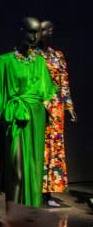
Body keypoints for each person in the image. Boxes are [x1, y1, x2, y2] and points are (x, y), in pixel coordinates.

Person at [0, 17, 55, 208]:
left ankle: (33, 214)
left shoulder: (40, 61)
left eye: (38, 32)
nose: (34, 37)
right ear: (21, 30)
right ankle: (15, 215)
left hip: (37, 118)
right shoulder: (5, 61)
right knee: (16, 169)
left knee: (34, 166)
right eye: (31, 32)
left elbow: (48, 91)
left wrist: (48, 111)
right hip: (15, 117)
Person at [35, 20, 77, 207]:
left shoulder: (57, 56)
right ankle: (35, 189)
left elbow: (64, 83)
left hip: (56, 109)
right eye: (43, 29)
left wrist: (69, 107)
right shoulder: (32, 56)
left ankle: (49, 191)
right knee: (39, 147)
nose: (46, 32)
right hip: (38, 106)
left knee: (54, 149)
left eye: (49, 29)